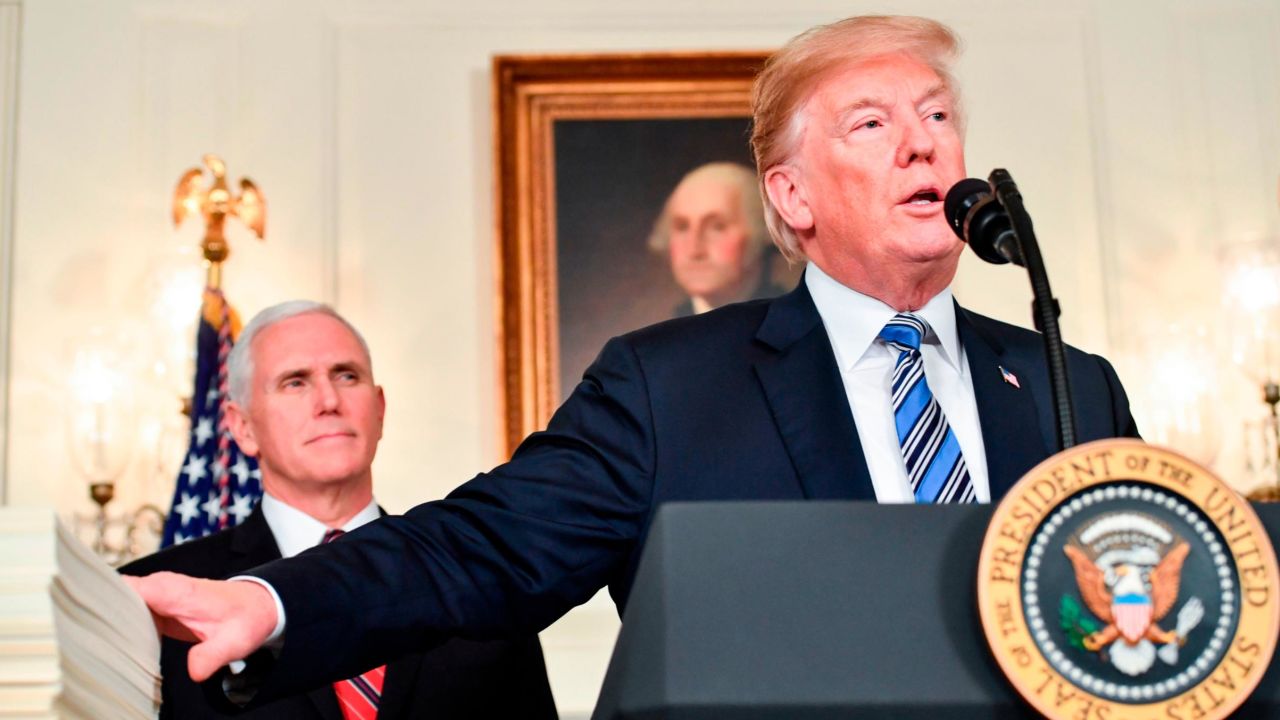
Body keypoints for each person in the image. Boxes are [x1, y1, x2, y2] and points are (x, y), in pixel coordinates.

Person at [125, 14, 1139, 705]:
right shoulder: (668, 387)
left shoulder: (1069, 384)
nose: (921, 147)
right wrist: (270, 597)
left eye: (935, 117)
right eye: (870, 125)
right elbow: (477, 549)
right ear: (790, 198)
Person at [120, 301, 557, 719]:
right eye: (295, 381)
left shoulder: (478, 574)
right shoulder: (165, 601)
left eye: (347, 375)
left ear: (380, 410)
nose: (328, 400)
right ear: (242, 427)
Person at [648, 162, 788, 316]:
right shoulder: (668, 334)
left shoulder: (793, 322)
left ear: (760, 233)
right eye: (682, 227)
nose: (695, 250)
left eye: (717, 227)